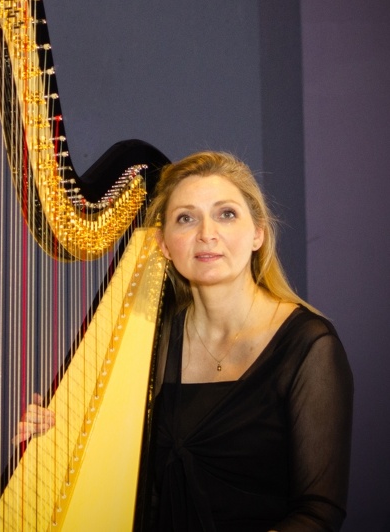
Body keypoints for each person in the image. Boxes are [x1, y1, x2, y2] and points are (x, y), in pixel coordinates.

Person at [18, 151, 354, 531]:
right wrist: (54, 437)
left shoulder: (309, 345)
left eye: (226, 214)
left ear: (258, 233)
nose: (206, 234)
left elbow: (318, 513)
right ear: (163, 244)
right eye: (186, 218)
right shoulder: (151, 343)